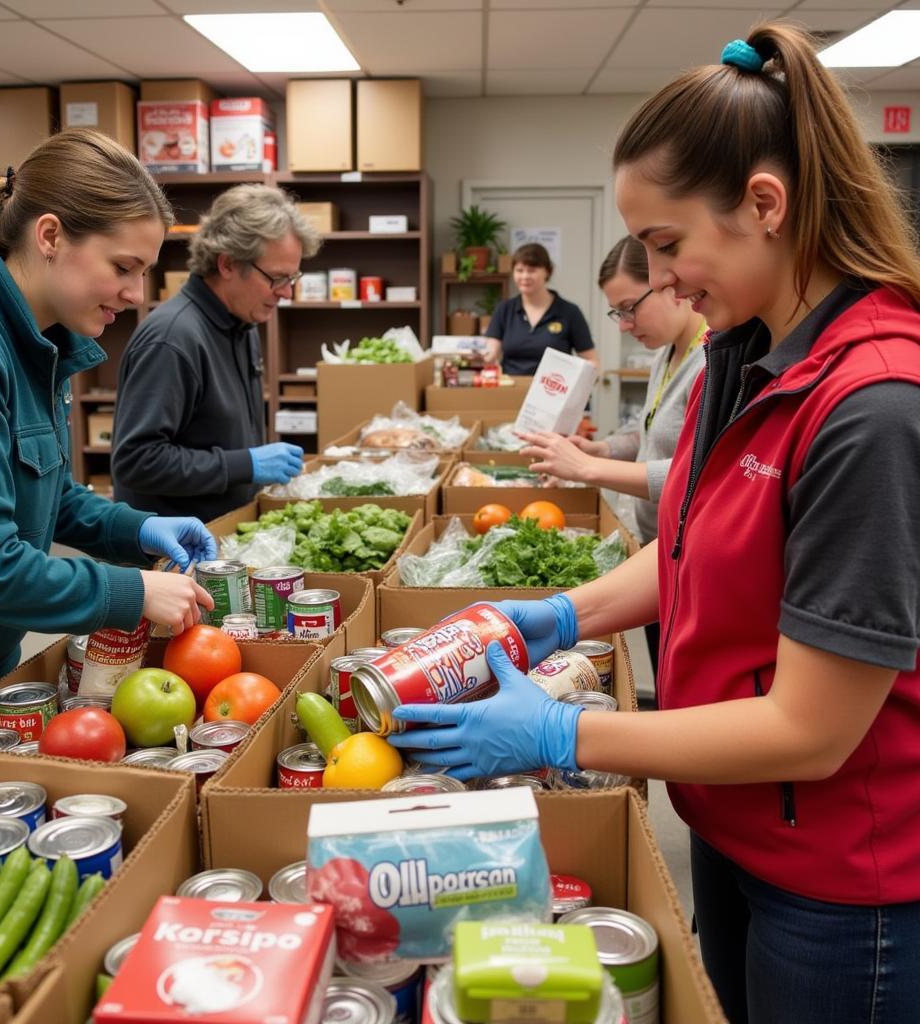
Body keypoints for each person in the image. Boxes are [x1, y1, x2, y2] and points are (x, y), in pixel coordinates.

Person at [390, 23, 920, 1024]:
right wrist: (549, 616)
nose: (662, 281)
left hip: (842, 878)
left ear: (764, 203)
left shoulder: (873, 405)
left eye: (668, 245)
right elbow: (690, 551)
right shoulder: (743, 352)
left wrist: (564, 727)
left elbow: (810, 730)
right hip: (726, 814)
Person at [0, 129, 216, 747]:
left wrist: (137, 528)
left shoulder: (37, 339)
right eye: (123, 267)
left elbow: (49, 496)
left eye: (144, 272)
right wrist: (133, 591)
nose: (135, 294)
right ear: (49, 237)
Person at [519, 235, 707, 676]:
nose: (623, 324)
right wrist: (601, 448)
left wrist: (588, 468)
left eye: (629, 308)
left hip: (689, 554)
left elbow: (699, 474)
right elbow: (648, 429)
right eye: (617, 312)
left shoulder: (710, 361)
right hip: (655, 547)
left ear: (667, 284)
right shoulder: (669, 354)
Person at [111, 184, 321, 520]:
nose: (286, 292)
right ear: (228, 265)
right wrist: (246, 464)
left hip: (223, 536)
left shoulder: (243, 325)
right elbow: (136, 461)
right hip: (173, 555)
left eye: (292, 277)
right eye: (277, 278)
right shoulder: (172, 338)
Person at [483, 242, 596, 375]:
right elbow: (490, 354)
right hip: (511, 390)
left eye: (532, 271)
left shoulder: (570, 312)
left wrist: (581, 385)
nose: (525, 277)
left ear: (547, 272)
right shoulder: (504, 310)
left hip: (554, 390)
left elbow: (592, 361)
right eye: (519, 270)